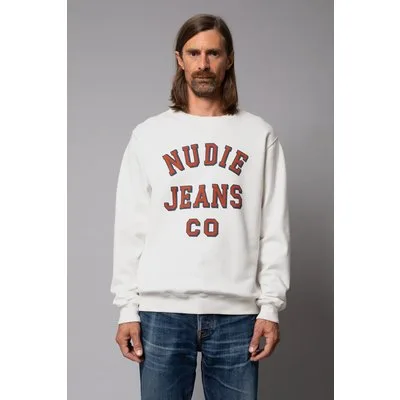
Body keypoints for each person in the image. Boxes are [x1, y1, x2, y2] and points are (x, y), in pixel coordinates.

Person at [110, 13, 290, 400]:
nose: (203, 64)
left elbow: (274, 229)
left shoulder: (258, 135)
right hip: (161, 311)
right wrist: (127, 308)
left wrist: (270, 307)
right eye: (194, 53)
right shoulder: (149, 135)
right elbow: (130, 229)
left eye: (213, 53)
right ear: (180, 59)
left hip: (237, 314)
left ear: (229, 59)